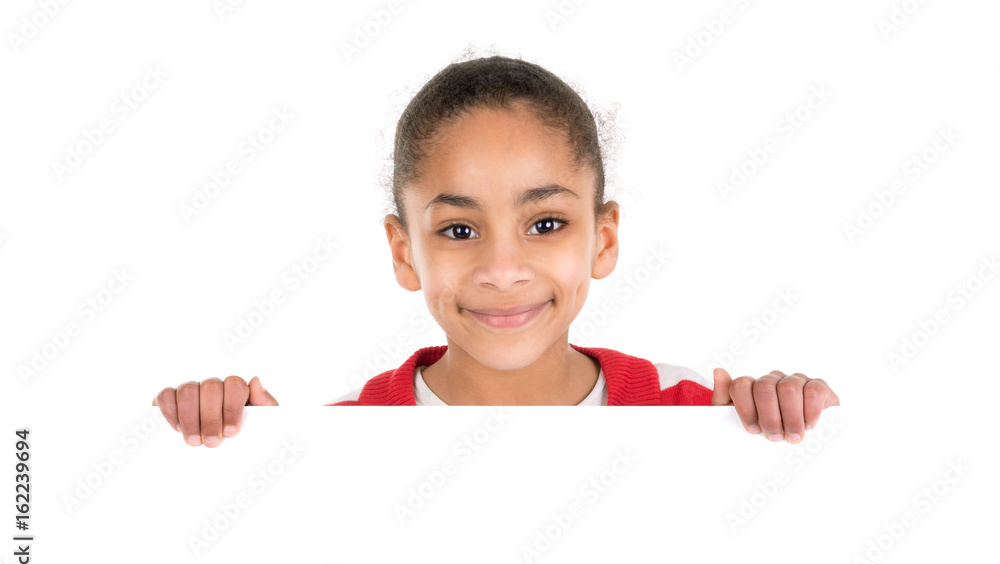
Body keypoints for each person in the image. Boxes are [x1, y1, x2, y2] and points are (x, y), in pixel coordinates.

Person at [152, 54, 839, 448]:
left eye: (546, 224)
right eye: (459, 230)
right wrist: (241, 451)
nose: (503, 271)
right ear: (404, 253)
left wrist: (792, 418)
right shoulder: (343, 440)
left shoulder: (691, 415)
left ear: (603, 240)